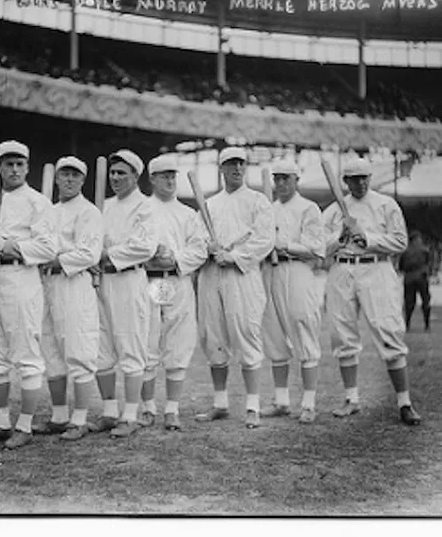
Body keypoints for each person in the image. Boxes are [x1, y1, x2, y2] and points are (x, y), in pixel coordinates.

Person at [321, 158, 421, 426]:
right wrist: (340, 237)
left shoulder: (386, 205)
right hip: (342, 269)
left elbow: (400, 242)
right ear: (345, 181)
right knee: (342, 334)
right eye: (354, 178)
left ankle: (404, 403)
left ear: (370, 177)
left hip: (376, 268)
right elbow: (319, 249)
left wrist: (368, 238)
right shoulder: (333, 211)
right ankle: (351, 399)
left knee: (388, 331)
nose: (361, 182)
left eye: (365, 177)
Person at [0, 140, 57, 450]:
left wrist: (8, 246)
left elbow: (48, 248)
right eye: (7, 164)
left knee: (26, 352)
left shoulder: (38, 202)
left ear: (27, 167)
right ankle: (1, 422)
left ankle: (24, 425)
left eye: (19, 164)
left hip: (21, 278)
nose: (13, 169)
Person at [195, 147, 275, 429]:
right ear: (222, 168)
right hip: (211, 274)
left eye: (241, 163)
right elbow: (197, 235)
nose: (236, 168)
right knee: (213, 335)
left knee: (246, 332)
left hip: (243, 276)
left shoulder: (258, 201)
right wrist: (208, 247)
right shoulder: (210, 204)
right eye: (230, 164)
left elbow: (265, 239)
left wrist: (234, 256)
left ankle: (252, 405)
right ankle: (220, 404)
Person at [139, 154, 208, 431]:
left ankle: (172, 409)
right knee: (147, 342)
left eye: (172, 176)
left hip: (176, 280)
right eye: (163, 175)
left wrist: (176, 259)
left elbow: (199, 249)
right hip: (149, 280)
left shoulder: (188, 213)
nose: (169, 180)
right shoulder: (142, 209)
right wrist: (151, 256)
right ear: (153, 179)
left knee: (178, 342)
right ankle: (146, 408)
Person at [92, 149, 158, 438]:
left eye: (122, 172)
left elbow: (145, 247)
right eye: (113, 172)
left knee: (131, 346)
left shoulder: (145, 207)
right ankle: (109, 411)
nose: (116, 177)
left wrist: (106, 252)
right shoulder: (101, 206)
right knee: (101, 349)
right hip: (99, 281)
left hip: (129, 279)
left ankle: (131, 414)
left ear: (135, 175)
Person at [38, 156, 103, 442]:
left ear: (83, 180)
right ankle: (59, 416)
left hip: (73, 282)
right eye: (64, 174)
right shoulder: (46, 210)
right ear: (56, 178)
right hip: (46, 282)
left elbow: (89, 254)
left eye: (75, 175)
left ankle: (79, 419)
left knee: (78, 349)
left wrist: (53, 257)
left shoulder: (89, 212)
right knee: (51, 350)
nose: (68, 179)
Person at [260, 159, 325, 424]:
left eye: (287, 178)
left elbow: (316, 248)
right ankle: (281, 401)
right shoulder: (267, 209)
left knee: (304, 330)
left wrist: (284, 244)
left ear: (297, 180)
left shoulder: (309, 208)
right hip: (270, 272)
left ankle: (308, 404)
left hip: (298, 271)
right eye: (277, 178)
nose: (281, 183)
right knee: (274, 335)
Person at [398, 230, 432, 331]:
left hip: (409, 278)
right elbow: (428, 263)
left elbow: (401, 267)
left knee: (409, 302)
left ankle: (407, 324)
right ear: (417, 239)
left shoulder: (405, 251)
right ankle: (427, 325)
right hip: (421, 277)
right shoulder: (424, 250)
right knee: (425, 300)